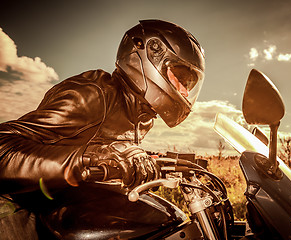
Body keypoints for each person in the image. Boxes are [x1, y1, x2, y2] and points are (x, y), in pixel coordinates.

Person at [0, 19, 205, 239]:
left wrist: (144, 167)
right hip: (22, 207)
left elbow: (110, 161)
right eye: (179, 77)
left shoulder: (141, 114)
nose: (184, 92)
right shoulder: (93, 94)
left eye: (188, 84)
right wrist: (90, 157)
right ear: (148, 58)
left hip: (69, 207)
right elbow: (3, 147)